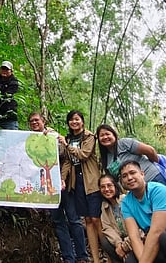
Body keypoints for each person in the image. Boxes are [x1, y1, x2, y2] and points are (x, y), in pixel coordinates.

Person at [28, 112, 89, 263]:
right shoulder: (29, 139)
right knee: (58, 221)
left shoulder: (54, 135)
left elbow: (65, 155)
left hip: (63, 184)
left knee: (74, 219)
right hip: (46, 187)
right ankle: (68, 257)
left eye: (37, 120)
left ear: (43, 121)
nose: (34, 123)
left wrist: (52, 139)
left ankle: (82, 256)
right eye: (31, 121)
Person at [60, 110, 102, 263]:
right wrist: (62, 179)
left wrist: (67, 145)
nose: (74, 122)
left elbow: (84, 154)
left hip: (90, 180)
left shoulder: (89, 137)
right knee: (87, 220)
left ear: (82, 121)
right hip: (75, 181)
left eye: (77, 119)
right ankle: (92, 258)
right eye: (71, 120)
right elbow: (67, 161)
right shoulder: (69, 138)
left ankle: (107, 253)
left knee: (95, 219)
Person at [96, 124, 166, 185]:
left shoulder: (123, 143)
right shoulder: (105, 157)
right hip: (136, 188)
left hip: (153, 178)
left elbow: (150, 151)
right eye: (102, 135)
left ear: (114, 135)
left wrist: (157, 166)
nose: (105, 137)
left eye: (107, 134)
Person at [98, 174, 138, 263]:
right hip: (120, 241)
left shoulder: (125, 200)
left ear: (115, 186)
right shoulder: (105, 206)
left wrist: (124, 247)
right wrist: (118, 244)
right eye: (103, 187)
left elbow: (138, 229)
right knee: (105, 241)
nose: (106, 189)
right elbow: (107, 228)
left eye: (109, 185)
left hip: (135, 240)